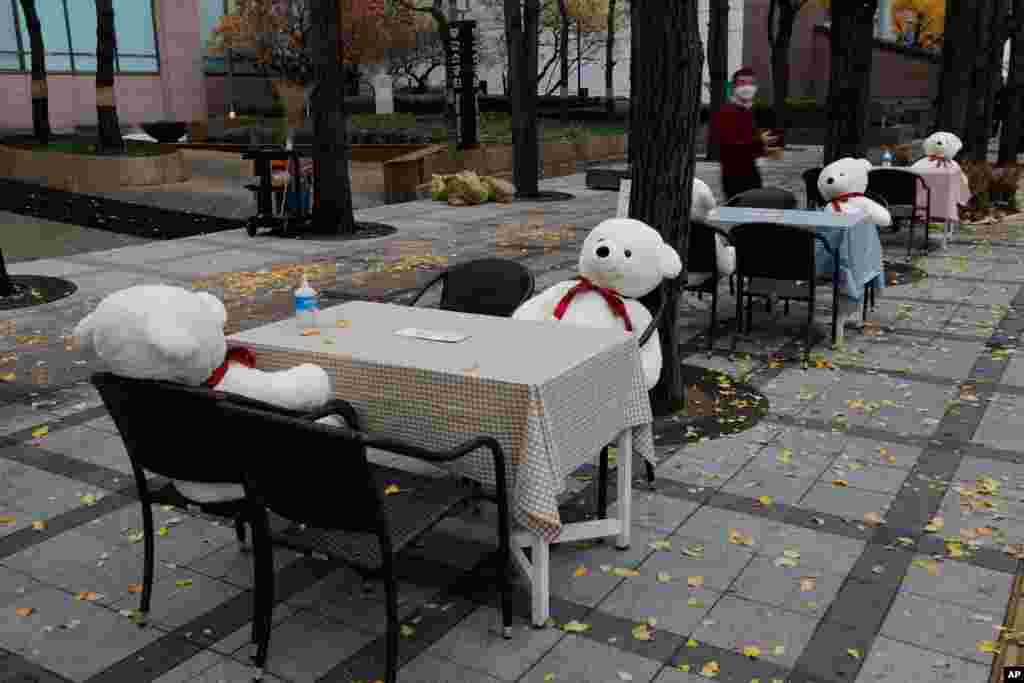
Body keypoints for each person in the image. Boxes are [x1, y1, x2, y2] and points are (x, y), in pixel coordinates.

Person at [710, 67, 778, 201]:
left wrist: (764, 150)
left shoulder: (750, 112)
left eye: (751, 83)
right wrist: (759, 141)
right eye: (742, 83)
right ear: (734, 87)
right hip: (734, 174)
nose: (747, 87)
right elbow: (728, 144)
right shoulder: (725, 112)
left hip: (752, 172)